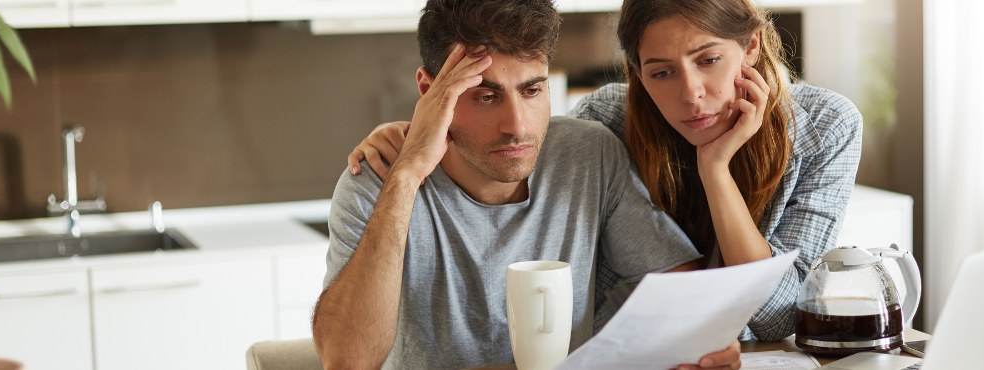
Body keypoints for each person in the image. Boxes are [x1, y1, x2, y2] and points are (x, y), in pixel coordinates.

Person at [346, 0, 862, 342]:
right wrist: (424, 131)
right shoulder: (609, 121)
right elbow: (517, 146)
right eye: (660, 72)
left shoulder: (825, 128)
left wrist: (715, 169)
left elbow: (775, 317)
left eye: (708, 60)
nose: (690, 94)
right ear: (636, 71)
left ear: (749, 46)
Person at [312, 1, 742, 369]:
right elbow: (347, 360)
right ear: (429, 91)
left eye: (532, 90)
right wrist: (406, 177)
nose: (517, 126)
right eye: (485, 95)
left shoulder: (589, 155)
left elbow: (678, 291)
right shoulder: (377, 180)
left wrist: (702, 336)